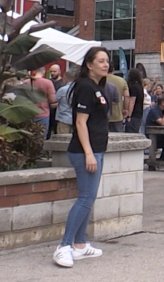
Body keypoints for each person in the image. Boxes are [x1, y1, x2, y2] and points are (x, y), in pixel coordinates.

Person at [53, 47, 110, 268]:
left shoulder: (97, 87)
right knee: (85, 198)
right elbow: (80, 122)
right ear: (89, 64)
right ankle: (63, 246)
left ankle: (80, 244)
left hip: (96, 148)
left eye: (107, 61)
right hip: (85, 150)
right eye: (101, 61)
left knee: (89, 198)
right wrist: (88, 153)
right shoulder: (85, 87)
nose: (105, 65)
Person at [28, 66, 58, 139]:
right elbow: (52, 100)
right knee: (41, 139)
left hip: (28, 114)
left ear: (34, 71)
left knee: (28, 138)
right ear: (44, 72)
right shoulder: (48, 82)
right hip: (43, 114)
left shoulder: (26, 82)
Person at [54, 67, 78, 135]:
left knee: (62, 140)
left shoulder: (62, 89)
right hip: (75, 119)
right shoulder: (79, 89)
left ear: (66, 78)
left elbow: (54, 100)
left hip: (63, 119)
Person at [125, 69, 145, 133]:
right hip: (139, 113)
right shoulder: (140, 86)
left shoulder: (133, 87)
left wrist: (129, 115)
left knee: (130, 132)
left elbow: (132, 102)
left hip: (133, 114)